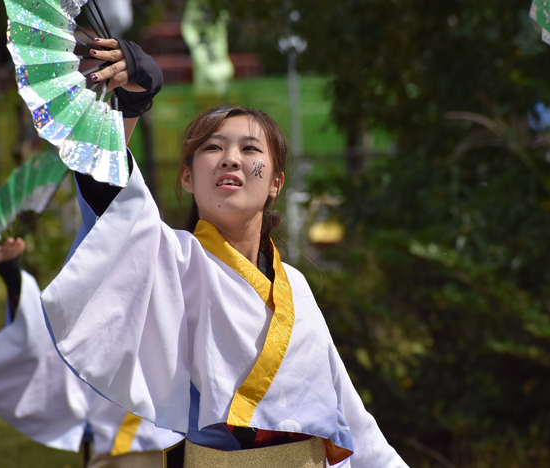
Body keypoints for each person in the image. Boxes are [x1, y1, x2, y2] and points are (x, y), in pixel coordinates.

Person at [41, 38, 408, 467]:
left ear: (276, 182)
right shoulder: (173, 262)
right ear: (186, 178)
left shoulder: (297, 287)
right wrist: (131, 106)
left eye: (250, 149)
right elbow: (114, 206)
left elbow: (351, 419)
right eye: (213, 148)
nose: (231, 159)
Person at [0, 237, 183, 468]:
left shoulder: (177, 273)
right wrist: (13, 276)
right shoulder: (93, 299)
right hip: (120, 446)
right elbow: (46, 344)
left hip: (159, 442)